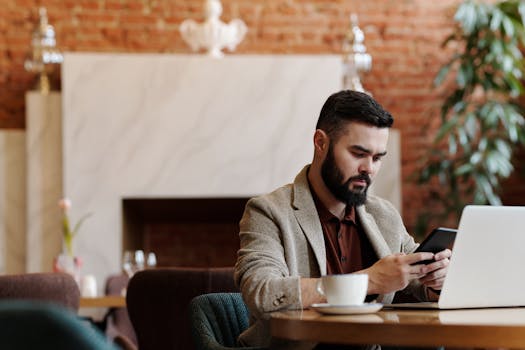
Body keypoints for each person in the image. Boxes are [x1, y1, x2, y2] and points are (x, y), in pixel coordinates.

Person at [234, 90, 451, 349]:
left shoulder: (384, 215)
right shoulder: (268, 212)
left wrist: (436, 280)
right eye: (358, 153)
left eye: (377, 157)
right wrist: (369, 281)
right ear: (320, 143)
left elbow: (412, 279)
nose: (369, 168)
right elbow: (262, 293)